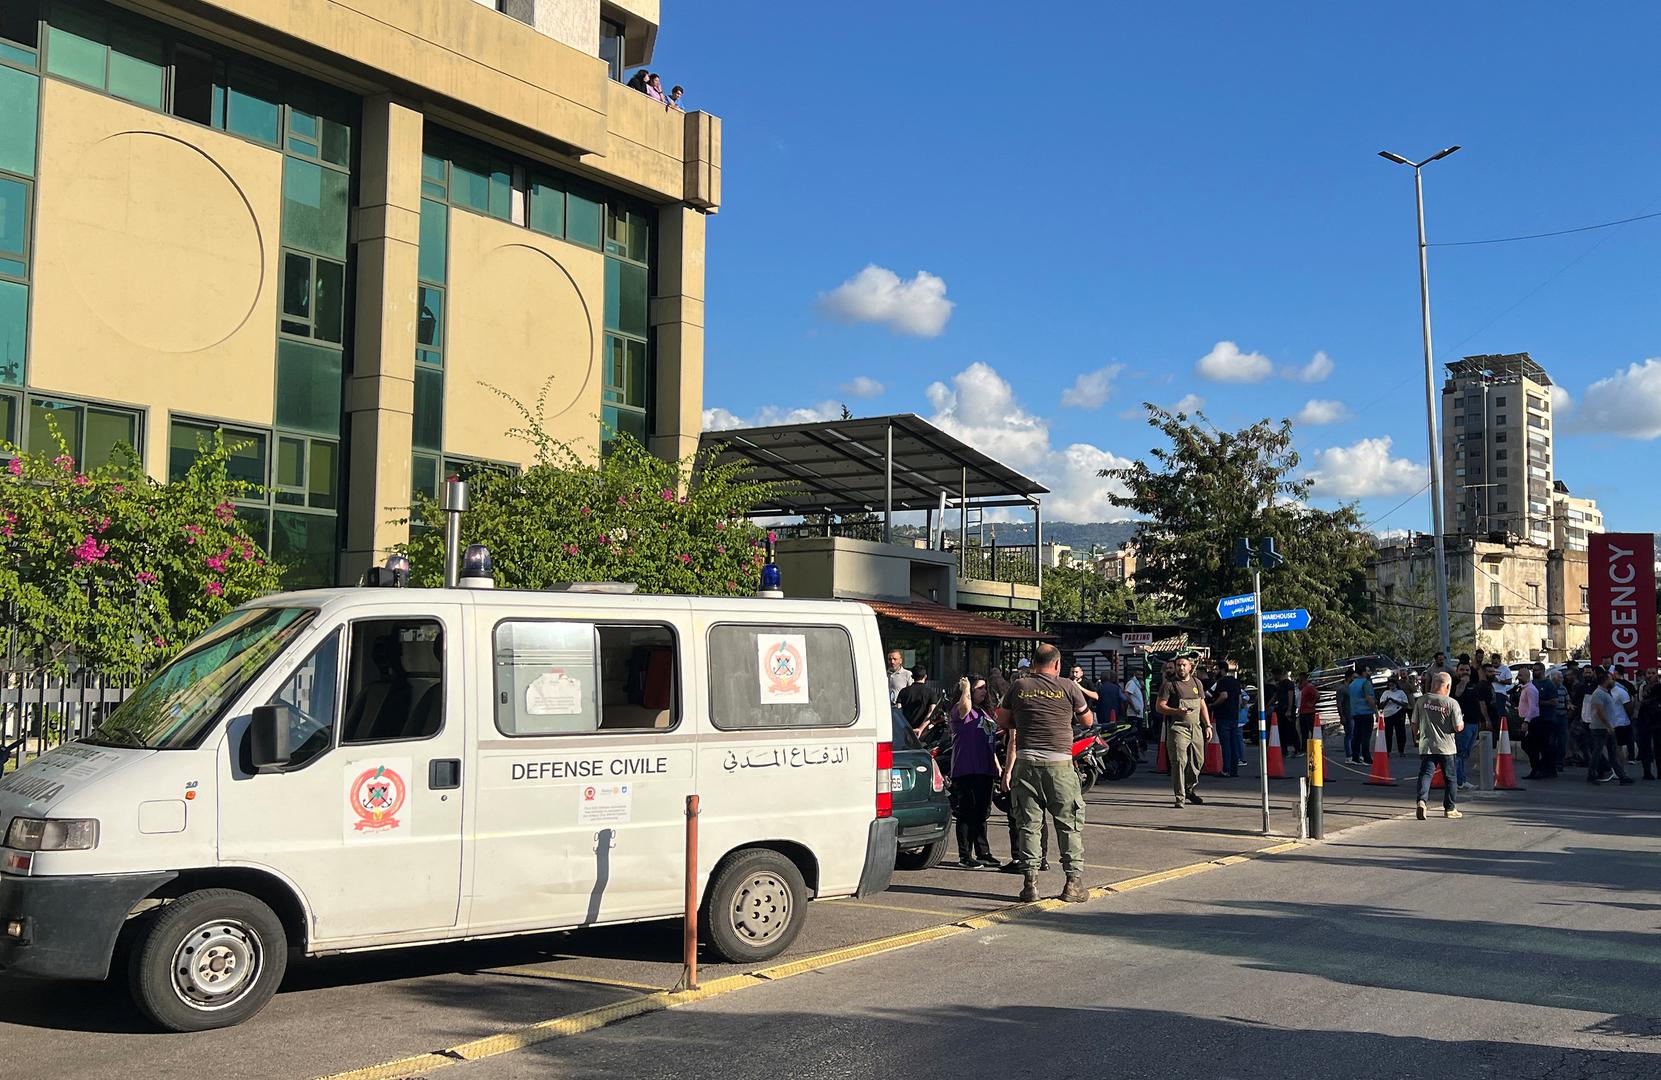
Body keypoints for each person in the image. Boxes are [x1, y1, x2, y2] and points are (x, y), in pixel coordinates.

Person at [996, 644, 1092, 903]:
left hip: (1026, 765)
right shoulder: (1069, 687)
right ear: (1058, 665)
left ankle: (1030, 885)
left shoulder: (1020, 686)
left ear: (1033, 663)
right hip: (1060, 766)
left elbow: (1002, 720)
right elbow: (1088, 722)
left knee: (1028, 826)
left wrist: (1023, 719)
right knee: (1068, 825)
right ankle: (1072, 883)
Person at [947, 677, 1000, 868]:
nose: (984, 691)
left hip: (985, 769)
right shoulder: (961, 710)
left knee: (982, 812)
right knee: (967, 813)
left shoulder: (985, 713)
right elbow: (964, 707)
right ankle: (965, 855)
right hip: (967, 768)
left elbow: (990, 742)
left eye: (986, 688)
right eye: (980, 688)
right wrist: (966, 689)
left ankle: (983, 851)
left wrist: (997, 767)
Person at [1157, 654, 1213, 808]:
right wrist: (1176, 710)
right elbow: (1159, 706)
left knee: (1198, 761)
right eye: (1178, 665)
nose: (1181, 668)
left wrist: (1208, 725)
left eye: (1184, 665)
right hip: (1178, 728)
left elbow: (1202, 705)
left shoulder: (1197, 683)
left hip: (1196, 727)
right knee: (1180, 762)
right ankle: (1180, 797)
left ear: (1190, 667)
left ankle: (1189, 789)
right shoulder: (1169, 684)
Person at [1411, 670, 1464, 819]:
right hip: (1446, 747)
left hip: (1427, 745)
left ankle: (1422, 801)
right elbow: (1458, 727)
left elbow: (1414, 723)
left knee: (1426, 774)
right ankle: (1450, 808)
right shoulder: (1451, 703)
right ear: (1447, 686)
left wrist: (1415, 737)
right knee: (1450, 778)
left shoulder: (1422, 701)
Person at [1587, 671, 1634, 785]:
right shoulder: (1599, 693)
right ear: (1604, 681)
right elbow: (1599, 711)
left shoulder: (1606, 692)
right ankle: (1591, 775)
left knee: (1613, 753)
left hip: (1609, 727)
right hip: (1600, 728)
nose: (1613, 681)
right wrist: (1608, 725)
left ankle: (1622, 776)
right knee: (1597, 753)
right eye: (1610, 679)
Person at [1452, 661, 1488, 790]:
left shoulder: (1474, 685)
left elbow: (1479, 703)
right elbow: (1457, 694)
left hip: (1474, 723)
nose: (1465, 672)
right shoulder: (1456, 684)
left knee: (1466, 754)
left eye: (1467, 670)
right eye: (1462, 670)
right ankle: (1458, 781)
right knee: (1460, 753)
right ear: (1457, 671)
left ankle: (1462, 780)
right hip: (1463, 724)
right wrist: (1464, 681)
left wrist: (1484, 719)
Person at [1210, 660, 1244, 777]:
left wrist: (1213, 705)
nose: (1215, 671)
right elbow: (1240, 700)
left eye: (1216, 669)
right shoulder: (1235, 682)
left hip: (1223, 715)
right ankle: (1234, 770)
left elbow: (1224, 696)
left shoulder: (1222, 682)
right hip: (1234, 716)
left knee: (1225, 744)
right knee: (1233, 744)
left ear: (1222, 670)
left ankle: (1226, 769)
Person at [1517, 666, 1545, 779]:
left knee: (1529, 745)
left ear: (1526, 676)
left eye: (1520, 675)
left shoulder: (1530, 689)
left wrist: (1526, 721)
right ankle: (1536, 768)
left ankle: (1537, 768)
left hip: (1532, 721)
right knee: (1528, 745)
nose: (1518, 677)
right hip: (1528, 719)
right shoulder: (1524, 688)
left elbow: (1533, 707)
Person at [896, 665, 938, 740]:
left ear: (912, 677)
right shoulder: (931, 693)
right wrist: (920, 729)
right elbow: (931, 712)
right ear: (925, 676)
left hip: (905, 731)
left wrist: (905, 728)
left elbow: (898, 711)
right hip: (923, 733)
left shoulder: (903, 692)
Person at [1345, 666, 1377, 765]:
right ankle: (1366, 758)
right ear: (1363, 673)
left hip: (1355, 713)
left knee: (1357, 736)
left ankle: (1355, 756)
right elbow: (1369, 698)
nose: (1370, 673)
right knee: (1366, 736)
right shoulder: (1365, 683)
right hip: (1366, 713)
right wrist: (1376, 710)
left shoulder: (1352, 684)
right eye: (1368, 671)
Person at [1636, 668, 1661, 781]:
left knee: (1659, 748)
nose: (1651, 676)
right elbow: (1642, 699)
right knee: (1646, 747)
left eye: (1653, 673)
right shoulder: (1643, 686)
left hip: (1658, 720)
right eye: (1648, 673)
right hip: (1645, 720)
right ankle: (1647, 772)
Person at [1379, 674, 1410, 757]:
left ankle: (1401, 751)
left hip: (1398, 713)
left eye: (1393, 684)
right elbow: (1381, 705)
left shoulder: (1400, 692)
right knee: (1388, 734)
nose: (1391, 686)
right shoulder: (1386, 693)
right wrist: (1387, 700)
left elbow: (1405, 704)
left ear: (1396, 685)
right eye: (1390, 685)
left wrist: (1394, 700)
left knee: (1400, 733)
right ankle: (1388, 751)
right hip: (1388, 715)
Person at [1298, 672, 1319, 755]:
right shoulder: (1303, 687)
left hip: (1309, 712)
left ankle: (1315, 746)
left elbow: (1317, 695)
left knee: (1311, 730)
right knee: (1304, 731)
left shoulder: (1310, 687)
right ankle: (1304, 748)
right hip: (1302, 711)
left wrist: (1312, 703)